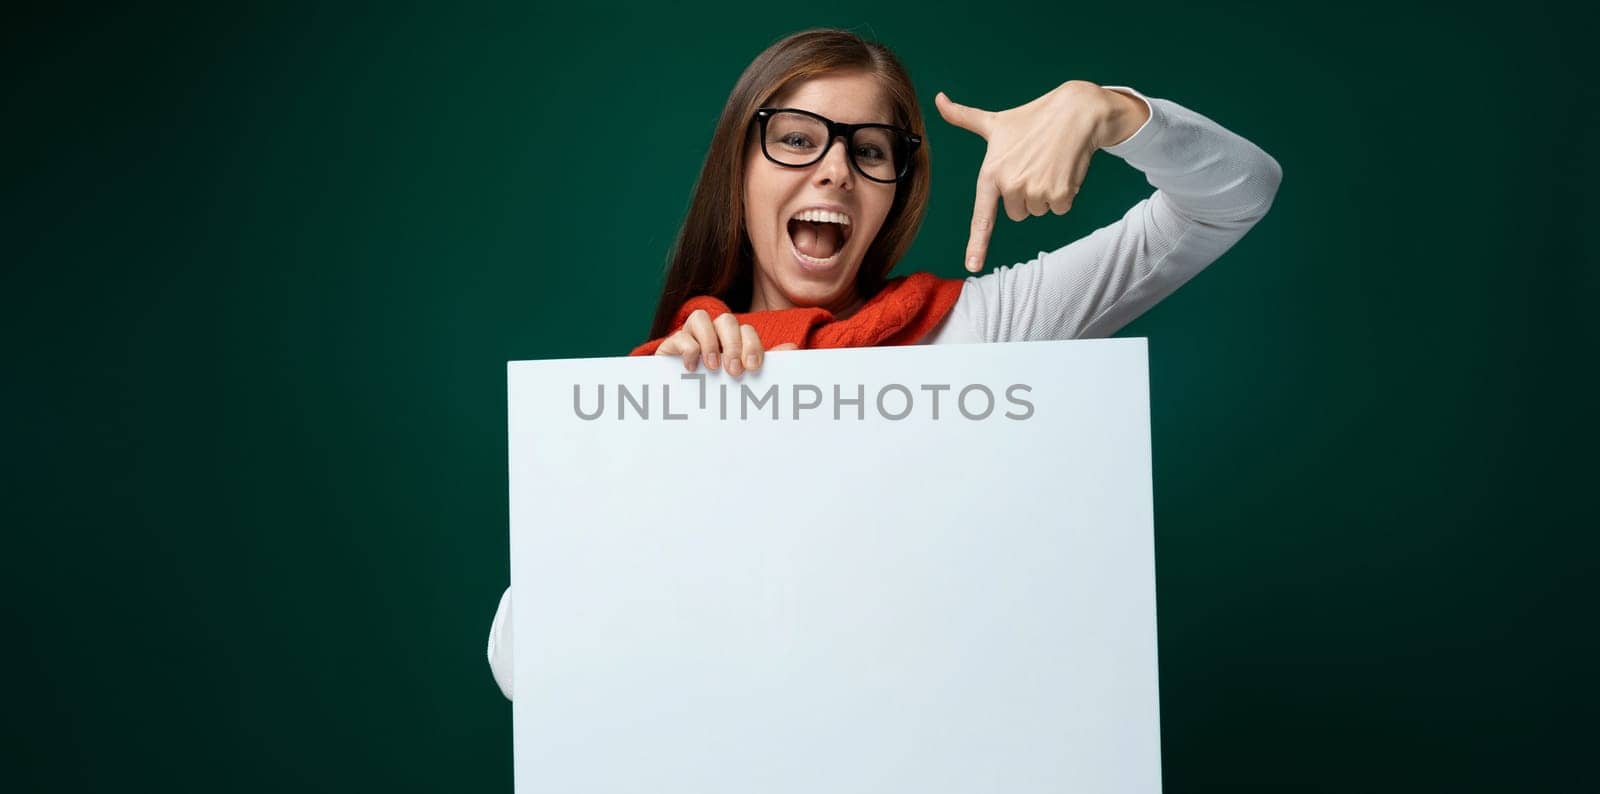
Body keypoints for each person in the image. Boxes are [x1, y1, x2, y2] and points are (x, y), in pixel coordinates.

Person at [487, 27, 1281, 699]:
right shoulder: (664, 386)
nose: (834, 169)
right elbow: (523, 666)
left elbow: (1235, 195)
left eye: (870, 151)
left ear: (895, 192)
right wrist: (665, 434)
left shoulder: (980, 332)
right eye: (796, 138)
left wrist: (1112, 111)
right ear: (740, 168)